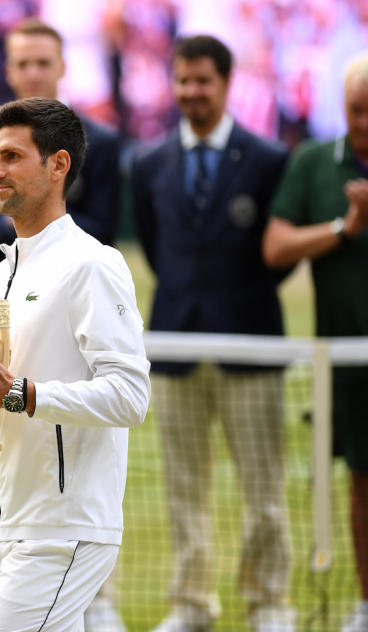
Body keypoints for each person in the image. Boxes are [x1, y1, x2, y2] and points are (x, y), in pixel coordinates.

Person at [0, 96, 150, 632]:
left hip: (64, 531)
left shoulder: (93, 264)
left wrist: (16, 393)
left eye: (11, 157)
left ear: (58, 164)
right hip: (4, 525)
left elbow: (131, 396)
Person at [131, 35, 293, 632]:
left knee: (265, 491)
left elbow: (279, 257)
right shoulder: (147, 163)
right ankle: (192, 604)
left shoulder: (268, 159)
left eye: (203, 81)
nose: (192, 92)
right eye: (183, 81)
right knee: (185, 487)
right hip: (175, 343)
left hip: (250, 342)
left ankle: (269, 603)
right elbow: (153, 245)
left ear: (226, 84)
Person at [262, 52, 368, 632]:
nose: (365, 124)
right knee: (361, 482)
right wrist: (342, 229)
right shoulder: (312, 164)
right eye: (357, 112)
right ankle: (366, 601)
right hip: (346, 359)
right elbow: (275, 247)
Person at [0, 18, 121, 259]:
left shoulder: (99, 141)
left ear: (63, 67)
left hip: (74, 284)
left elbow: (104, 233)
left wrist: (25, 214)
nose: (33, 73)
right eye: (23, 64)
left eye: (43, 63)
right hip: (9, 289)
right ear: (8, 71)